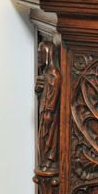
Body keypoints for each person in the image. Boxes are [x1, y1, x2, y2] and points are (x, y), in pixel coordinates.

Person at [35, 41, 61, 172]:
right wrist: (39, 90)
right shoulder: (45, 74)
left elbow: (53, 97)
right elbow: (43, 95)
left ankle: (49, 162)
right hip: (44, 112)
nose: (38, 58)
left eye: (41, 55)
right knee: (42, 140)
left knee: (49, 139)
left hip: (49, 114)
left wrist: (48, 112)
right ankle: (45, 162)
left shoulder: (54, 74)